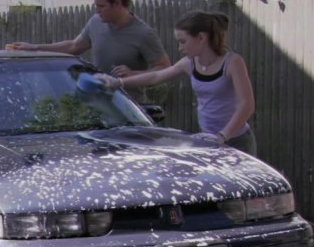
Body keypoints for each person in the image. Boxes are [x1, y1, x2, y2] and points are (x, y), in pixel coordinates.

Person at [95, 10, 257, 155]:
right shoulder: (189, 63)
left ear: (201, 37)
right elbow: (156, 77)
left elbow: (247, 104)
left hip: (236, 140)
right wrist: (118, 82)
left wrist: (223, 135)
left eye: (183, 41)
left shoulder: (232, 63)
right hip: (208, 139)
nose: (180, 47)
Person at [6, 0, 170, 103]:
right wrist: (34, 48)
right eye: (95, 6)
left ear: (118, 3)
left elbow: (164, 68)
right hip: (98, 104)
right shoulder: (96, 22)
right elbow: (74, 46)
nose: (97, 11)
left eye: (101, 6)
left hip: (129, 107)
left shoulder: (143, 33)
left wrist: (133, 73)